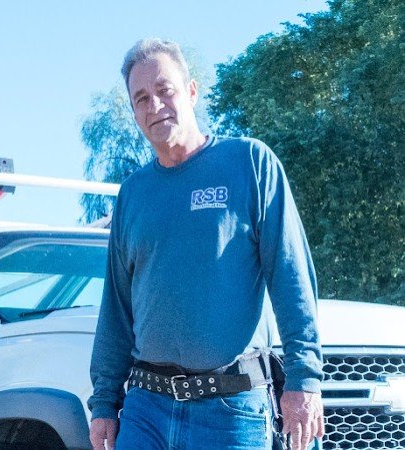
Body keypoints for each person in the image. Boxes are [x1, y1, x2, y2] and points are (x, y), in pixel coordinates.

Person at [88, 38, 324, 450]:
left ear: (192, 91)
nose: (155, 105)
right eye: (141, 98)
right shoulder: (133, 194)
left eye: (165, 90)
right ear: (134, 112)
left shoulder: (250, 164)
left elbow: (291, 279)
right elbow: (116, 310)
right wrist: (105, 402)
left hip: (231, 409)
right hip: (145, 411)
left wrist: (304, 380)